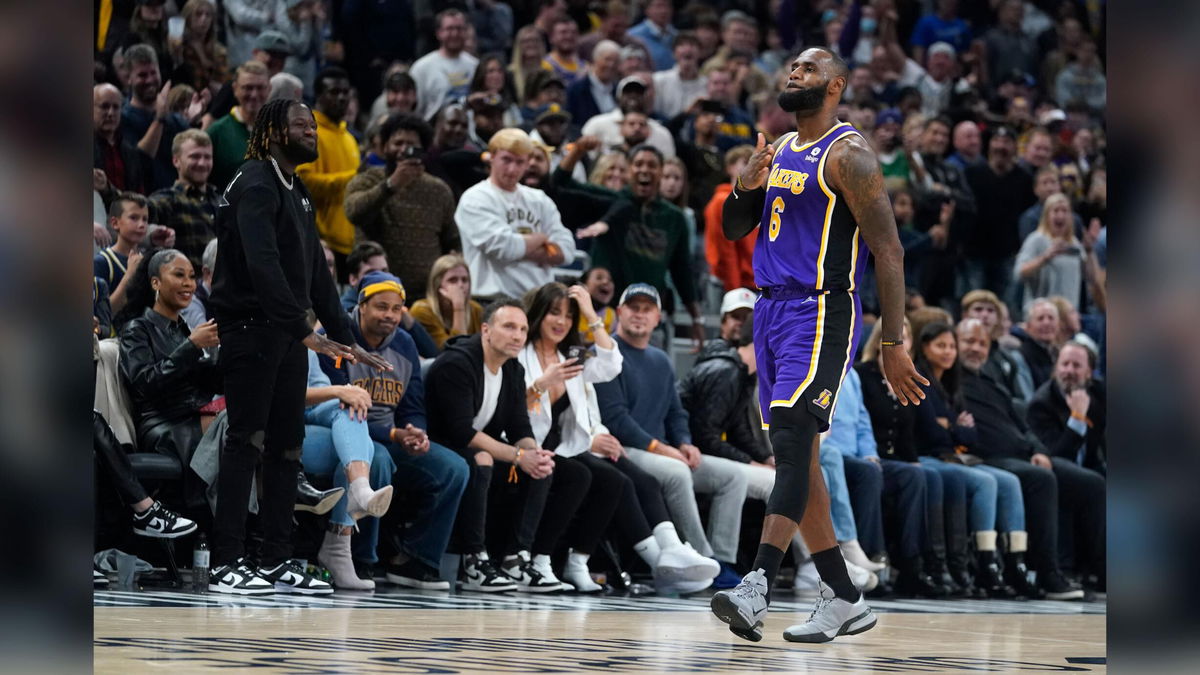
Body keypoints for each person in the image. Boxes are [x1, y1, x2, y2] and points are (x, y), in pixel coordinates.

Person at [709, 47, 928, 644]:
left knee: (791, 441)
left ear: (836, 87)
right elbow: (734, 229)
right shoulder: (777, 149)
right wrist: (743, 185)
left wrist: (892, 340)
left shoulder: (849, 155)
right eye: (792, 68)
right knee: (798, 458)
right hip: (768, 308)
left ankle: (757, 584)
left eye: (808, 70)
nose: (794, 74)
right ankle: (843, 595)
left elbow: (889, 250)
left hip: (820, 309)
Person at [206, 97, 392, 595]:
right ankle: (227, 560)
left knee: (286, 447)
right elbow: (262, 264)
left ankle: (274, 558)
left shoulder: (299, 190)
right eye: (300, 125)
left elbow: (315, 274)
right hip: (249, 327)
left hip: (286, 334)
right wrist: (303, 328)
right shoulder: (253, 182)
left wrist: (345, 338)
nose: (311, 132)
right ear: (272, 132)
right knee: (246, 440)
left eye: (313, 125)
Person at [318, 271, 471, 590]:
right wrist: (391, 435)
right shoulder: (333, 336)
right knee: (380, 458)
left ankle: (418, 560)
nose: (390, 315)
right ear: (361, 306)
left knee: (454, 468)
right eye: (381, 307)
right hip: (346, 434)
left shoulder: (405, 343)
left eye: (397, 308)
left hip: (394, 435)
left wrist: (417, 431)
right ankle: (362, 559)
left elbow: (412, 404)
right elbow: (334, 406)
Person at [594, 284, 735, 589]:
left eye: (647, 309)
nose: (639, 315)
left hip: (660, 450)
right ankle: (701, 555)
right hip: (626, 449)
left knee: (734, 477)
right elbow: (616, 419)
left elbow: (675, 413)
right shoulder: (607, 354)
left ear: (658, 317)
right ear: (619, 313)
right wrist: (662, 449)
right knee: (676, 471)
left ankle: (724, 559)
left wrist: (684, 442)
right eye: (633, 308)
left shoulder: (661, 360)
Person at [956, 319, 1100, 599]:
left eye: (982, 343)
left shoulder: (991, 383)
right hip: (989, 458)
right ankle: (1048, 573)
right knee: (1041, 479)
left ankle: (1099, 572)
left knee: (1092, 483)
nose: (976, 348)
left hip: (1023, 455)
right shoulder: (952, 382)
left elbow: (1023, 426)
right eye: (969, 342)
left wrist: (1039, 451)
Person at [423, 300, 559, 592]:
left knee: (545, 466)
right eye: (509, 326)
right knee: (483, 458)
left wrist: (532, 453)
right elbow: (461, 432)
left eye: (523, 329)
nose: (518, 336)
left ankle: (515, 558)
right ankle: (474, 560)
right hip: (436, 445)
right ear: (486, 329)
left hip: (477, 449)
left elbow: (520, 427)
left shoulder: (513, 369)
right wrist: (518, 455)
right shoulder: (458, 362)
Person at [911, 321, 1028, 598]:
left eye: (951, 346)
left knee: (1010, 482)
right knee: (985, 482)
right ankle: (984, 563)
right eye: (941, 346)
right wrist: (955, 428)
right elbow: (930, 431)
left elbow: (971, 436)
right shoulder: (919, 379)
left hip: (952, 457)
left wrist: (951, 427)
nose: (949, 352)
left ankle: (1015, 563)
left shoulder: (953, 385)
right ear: (924, 348)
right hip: (925, 457)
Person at [557, 139, 705, 348]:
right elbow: (559, 184)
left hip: (646, 320)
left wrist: (696, 319)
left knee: (643, 378)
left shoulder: (675, 218)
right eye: (638, 164)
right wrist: (578, 150)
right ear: (628, 170)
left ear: (661, 171)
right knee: (591, 377)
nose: (645, 170)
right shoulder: (610, 202)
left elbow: (683, 272)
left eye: (652, 165)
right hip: (601, 317)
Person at [302, 349, 396, 590]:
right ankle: (339, 543)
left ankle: (359, 489)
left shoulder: (302, 338)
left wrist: (341, 397)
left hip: (307, 423)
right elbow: (276, 395)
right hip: (269, 428)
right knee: (363, 446)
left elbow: (317, 387)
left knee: (351, 412)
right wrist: (337, 391)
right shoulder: (255, 331)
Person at [344, 112, 460, 300]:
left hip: (426, 298)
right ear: (384, 147)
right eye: (398, 143)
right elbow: (354, 212)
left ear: (423, 150)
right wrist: (390, 185)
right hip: (376, 291)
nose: (404, 150)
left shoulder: (439, 190)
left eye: (412, 145)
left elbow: (453, 241)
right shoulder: (366, 180)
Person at [455, 128, 577, 301]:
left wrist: (519, 246)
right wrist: (541, 239)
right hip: (492, 300)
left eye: (519, 162)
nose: (512, 169)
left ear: (527, 163)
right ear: (492, 157)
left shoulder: (539, 200)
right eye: (506, 160)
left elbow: (567, 250)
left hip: (538, 301)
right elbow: (503, 248)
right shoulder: (475, 198)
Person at [295, 67, 360, 278]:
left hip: (349, 243)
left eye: (345, 92)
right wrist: (354, 177)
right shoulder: (309, 132)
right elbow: (303, 182)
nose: (341, 98)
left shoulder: (349, 137)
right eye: (334, 92)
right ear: (319, 96)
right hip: (321, 242)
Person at [119, 44, 193, 192]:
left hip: (176, 202)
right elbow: (139, 162)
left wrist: (195, 122)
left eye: (153, 73)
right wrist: (159, 119)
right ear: (128, 78)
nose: (149, 80)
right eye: (142, 75)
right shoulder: (122, 119)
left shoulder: (176, 120)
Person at [1027, 341, 1106, 475]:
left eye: (1076, 366)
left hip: (1093, 466)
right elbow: (1058, 455)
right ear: (1056, 368)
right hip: (1063, 474)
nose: (1069, 371)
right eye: (1065, 364)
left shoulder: (1098, 392)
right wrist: (1077, 418)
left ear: (1089, 373)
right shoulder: (1041, 404)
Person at [1015, 193, 1101, 314]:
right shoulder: (1036, 240)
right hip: (1041, 314)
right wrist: (1044, 258)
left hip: (1069, 313)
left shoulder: (1074, 243)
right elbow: (1019, 272)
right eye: (1056, 211)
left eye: (1065, 211)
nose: (1060, 215)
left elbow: (1091, 277)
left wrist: (1089, 251)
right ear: (1046, 216)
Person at [147, 129, 219, 266]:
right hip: (185, 284)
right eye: (195, 157)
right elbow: (131, 212)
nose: (202, 163)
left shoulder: (222, 201)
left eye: (207, 157)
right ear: (176, 161)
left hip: (223, 285)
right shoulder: (165, 200)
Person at [207, 60, 271, 189]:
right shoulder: (217, 132)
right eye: (248, 88)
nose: (254, 95)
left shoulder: (280, 131)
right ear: (235, 89)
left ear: (269, 89)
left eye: (260, 88)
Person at [704, 145, 757, 293]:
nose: (752, 167)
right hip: (728, 283)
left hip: (755, 282)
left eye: (756, 162)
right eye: (746, 162)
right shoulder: (721, 201)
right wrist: (734, 289)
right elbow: (725, 250)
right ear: (730, 168)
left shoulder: (760, 200)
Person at [411, 9, 480, 121]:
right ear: (439, 33)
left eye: (459, 28)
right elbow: (415, 110)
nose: (455, 34)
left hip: (469, 133)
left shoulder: (475, 65)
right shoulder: (421, 68)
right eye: (449, 29)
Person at [410, 254, 486, 350]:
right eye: (452, 280)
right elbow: (455, 351)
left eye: (465, 280)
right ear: (437, 284)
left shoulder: (475, 309)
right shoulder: (422, 310)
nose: (460, 285)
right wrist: (458, 307)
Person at [95, 194, 149, 313]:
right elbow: (103, 316)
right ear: (115, 223)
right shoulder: (102, 262)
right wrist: (130, 275)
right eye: (134, 218)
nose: (141, 225)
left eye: (145, 219)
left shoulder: (148, 261)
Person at [94, 83, 148, 203]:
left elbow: (139, 196)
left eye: (116, 107)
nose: (110, 113)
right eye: (104, 107)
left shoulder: (131, 152)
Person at [653, 32, 707, 120]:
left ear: (700, 53)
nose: (688, 49)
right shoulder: (659, 80)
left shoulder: (707, 84)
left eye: (692, 45)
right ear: (673, 54)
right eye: (682, 45)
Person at [565, 40, 620, 123]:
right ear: (595, 59)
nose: (611, 65)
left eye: (615, 61)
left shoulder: (619, 90)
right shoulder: (576, 90)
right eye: (607, 60)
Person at [627, 0, 676, 71]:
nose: (664, 11)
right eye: (658, 6)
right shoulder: (633, 35)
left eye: (667, 6)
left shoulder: (677, 36)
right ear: (647, 10)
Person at [576, 266, 616, 345]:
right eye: (599, 278)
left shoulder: (611, 315)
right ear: (583, 286)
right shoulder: (572, 309)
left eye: (610, 280)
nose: (605, 282)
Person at [543, 16, 588, 87]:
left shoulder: (585, 66)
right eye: (563, 32)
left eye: (573, 32)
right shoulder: (545, 66)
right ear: (551, 37)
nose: (569, 36)